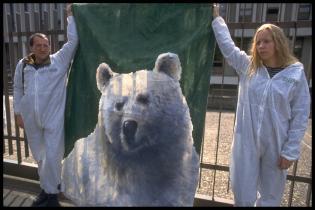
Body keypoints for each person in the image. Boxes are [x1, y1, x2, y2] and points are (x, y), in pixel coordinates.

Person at [211, 3, 310, 207]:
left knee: (270, 197)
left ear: (278, 43)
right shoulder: (248, 67)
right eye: (258, 42)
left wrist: (290, 150)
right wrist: (216, 19)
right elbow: (228, 48)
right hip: (245, 141)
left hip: (276, 144)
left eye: (266, 41)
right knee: (242, 193)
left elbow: (300, 115)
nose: (261, 46)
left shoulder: (295, 74)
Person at [13, 4, 79, 207]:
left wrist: (70, 17)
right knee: (40, 157)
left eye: (46, 45)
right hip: (31, 119)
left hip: (53, 118)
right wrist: (17, 113)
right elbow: (17, 89)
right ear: (31, 47)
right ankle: (45, 190)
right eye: (39, 45)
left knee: (52, 156)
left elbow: (73, 41)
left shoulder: (58, 60)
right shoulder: (23, 64)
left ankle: (52, 197)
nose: (43, 48)